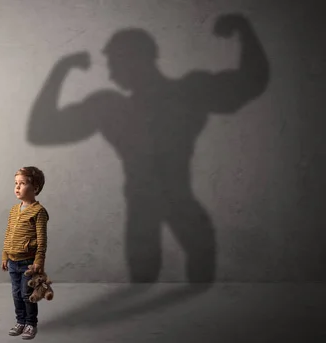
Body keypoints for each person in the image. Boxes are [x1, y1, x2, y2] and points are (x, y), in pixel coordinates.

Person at [27, 13, 269, 284]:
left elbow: (251, 82)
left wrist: (245, 28)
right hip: (154, 206)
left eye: (115, 62)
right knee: (157, 282)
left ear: (137, 60)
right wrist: (61, 68)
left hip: (163, 204)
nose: (110, 72)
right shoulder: (119, 107)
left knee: (191, 280)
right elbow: (41, 131)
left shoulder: (176, 95)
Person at [1, 166, 50, 339]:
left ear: (35, 188)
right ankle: (20, 321)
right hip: (13, 262)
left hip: (28, 263)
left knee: (27, 294)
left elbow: (42, 240)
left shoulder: (39, 212)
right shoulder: (14, 210)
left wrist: (39, 262)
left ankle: (31, 323)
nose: (17, 187)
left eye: (22, 183)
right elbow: (8, 233)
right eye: (16, 183)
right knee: (16, 294)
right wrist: (5, 255)